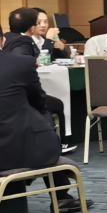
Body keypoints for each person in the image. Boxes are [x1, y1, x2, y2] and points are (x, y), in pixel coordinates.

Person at [0, 22, 92, 213]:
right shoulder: (21, 63)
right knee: (41, 118)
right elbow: (38, 100)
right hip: (22, 149)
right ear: (3, 41)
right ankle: (61, 197)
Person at [4, 8, 76, 154]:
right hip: (18, 96)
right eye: (38, 22)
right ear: (32, 27)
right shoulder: (22, 41)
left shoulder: (11, 38)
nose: (42, 25)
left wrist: (59, 45)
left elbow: (59, 55)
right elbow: (27, 63)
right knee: (51, 105)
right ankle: (59, 143)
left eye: (45, 21)